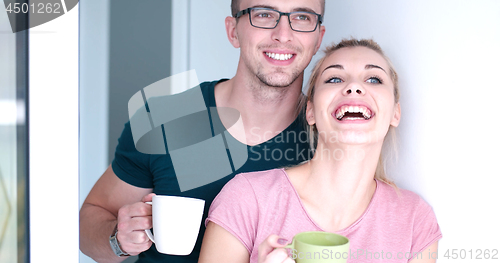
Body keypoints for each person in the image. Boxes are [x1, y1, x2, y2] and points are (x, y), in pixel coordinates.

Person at [79, 0, 326, 262]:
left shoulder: (330, 140)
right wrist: (119, 239)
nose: (283, 34)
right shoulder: (164, 120)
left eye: (302, 17)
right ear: (233, 31)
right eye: (263, 14)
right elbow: (89, 222)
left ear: (318, 38)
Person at [199, 39, 442, 263]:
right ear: (311, 111)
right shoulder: (245, 198)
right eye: (335, 79)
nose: (354, 87)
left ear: (395, 113)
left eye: (374, 79)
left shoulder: (414, 220)